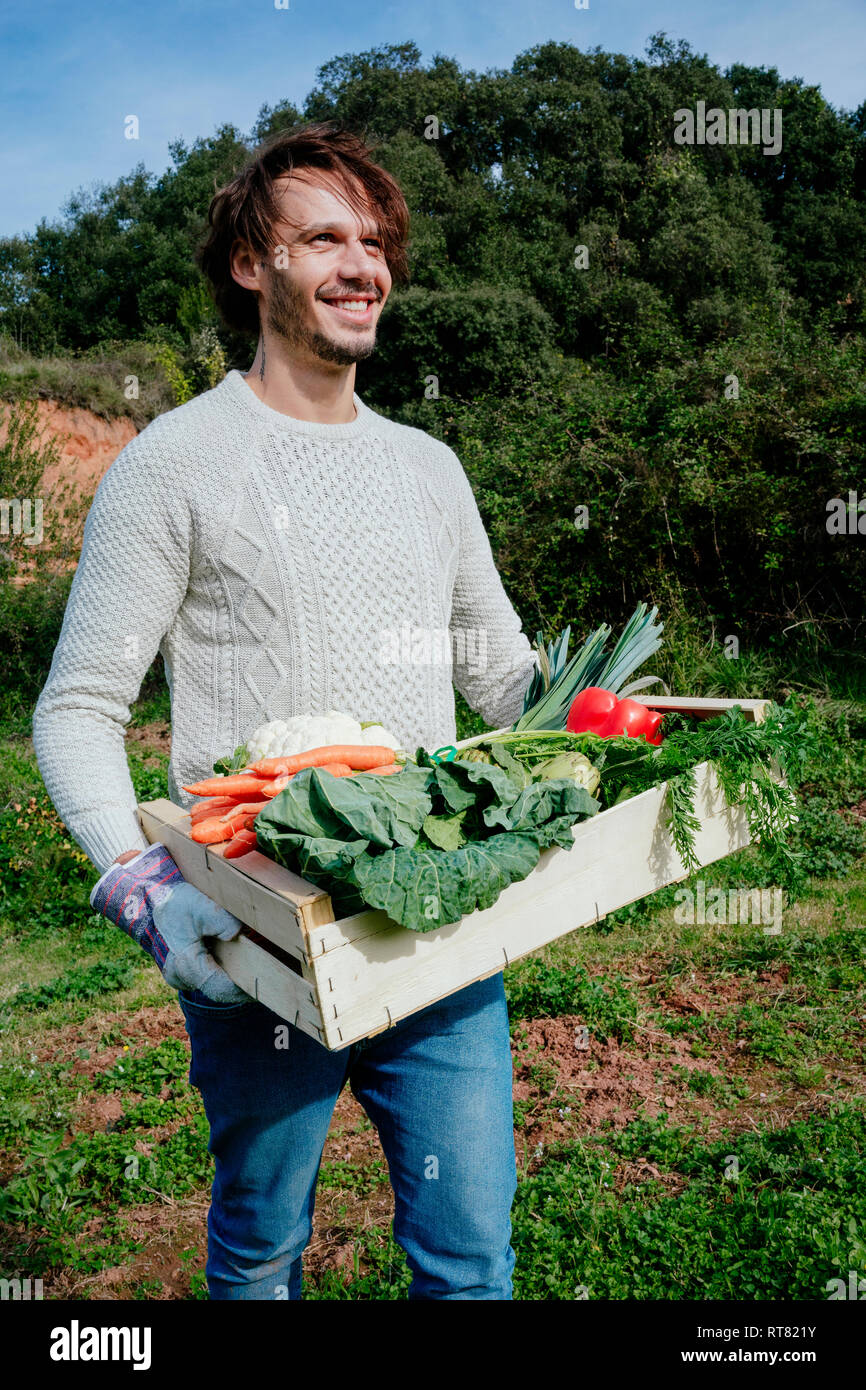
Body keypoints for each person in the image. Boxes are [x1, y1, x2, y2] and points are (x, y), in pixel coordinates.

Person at [32, 122, 537, 1300]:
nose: (363, 264)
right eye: (323, 238)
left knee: (470, 1266)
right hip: (260, 937)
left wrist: (604, 718)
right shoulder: (174, 462)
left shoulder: (430, 468)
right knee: (259, 1256)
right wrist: (142, 890)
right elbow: (78, 708)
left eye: (374, 241)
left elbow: (500, 676)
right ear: (253, 266)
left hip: (438, 929)